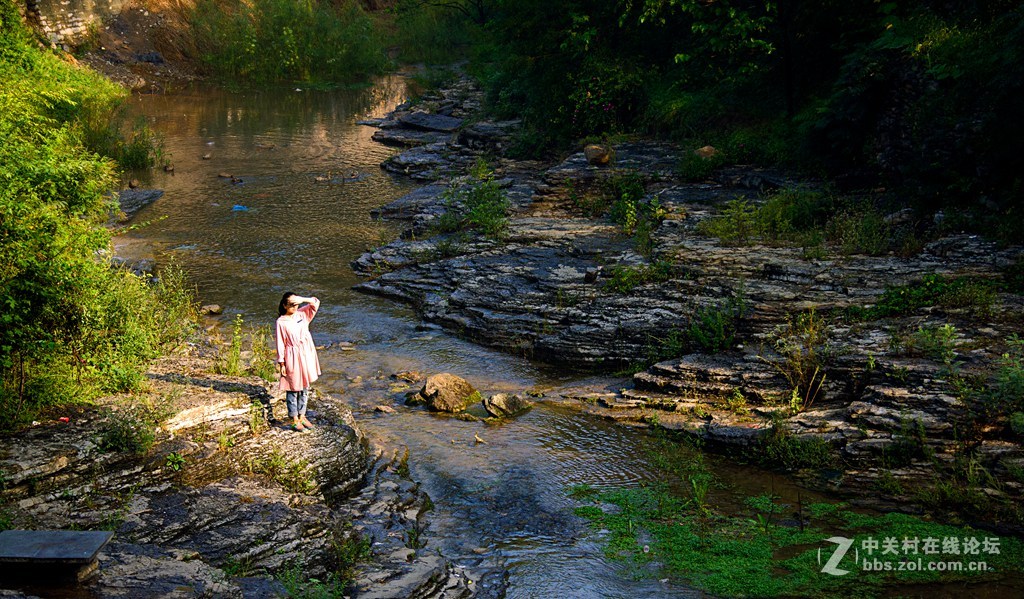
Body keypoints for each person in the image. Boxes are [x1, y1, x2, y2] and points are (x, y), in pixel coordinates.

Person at [275, 293, 321, 432]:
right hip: (292, 355)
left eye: (296, 304)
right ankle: (294, 419)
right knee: (293, 387)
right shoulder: (281, 322)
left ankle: (302, 415)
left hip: (306, 352)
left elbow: (315, 303)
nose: (295, 307)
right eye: (292, 304)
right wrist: (282, 363)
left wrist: (302, 299)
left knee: (305, 386)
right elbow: (280, 343)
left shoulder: (302, 314)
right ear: (284, 305)